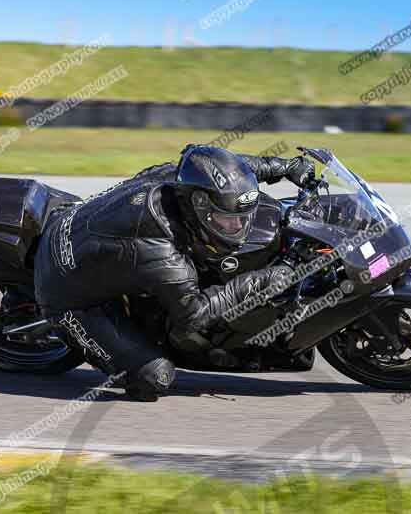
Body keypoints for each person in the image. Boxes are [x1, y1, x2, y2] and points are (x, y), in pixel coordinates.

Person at [33, 144, 316, 400]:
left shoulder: (184, 177)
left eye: (241, 220)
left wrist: (287, 166)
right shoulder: (159, 250)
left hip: (79, 225)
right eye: (228, 221)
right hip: (67, 290)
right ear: (199, 207)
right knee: (156, 377)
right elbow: (194, 314)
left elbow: (231, 170)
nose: (238, 228)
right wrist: (266, 278)